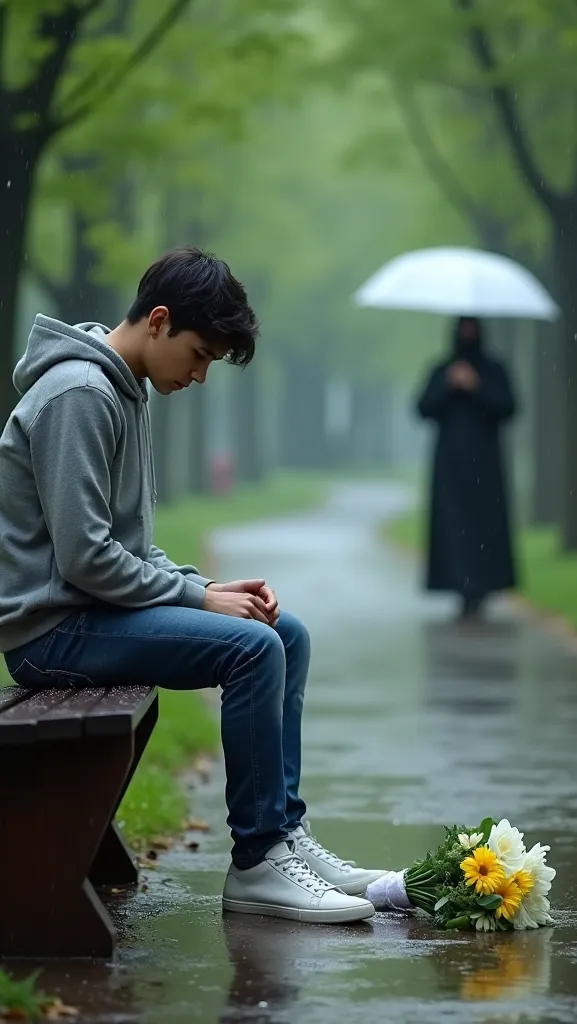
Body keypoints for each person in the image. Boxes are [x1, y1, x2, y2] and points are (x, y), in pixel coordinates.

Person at [0, 247, 386, 924]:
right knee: (252, 649)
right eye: (200, 354)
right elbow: (87, 559)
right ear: (158, 321)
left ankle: (284, 834)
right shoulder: (80, 396)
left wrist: (206, 585)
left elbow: (131, 546)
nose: (202, 375)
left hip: (87, 615)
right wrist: (201, 600)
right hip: (50, 631)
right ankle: (259, 861)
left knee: (280, 632)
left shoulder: (123, 387)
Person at [415, 315, 517, 619]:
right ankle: (459, 585)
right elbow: (423, 408)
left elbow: (508, 407)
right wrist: (448, 385)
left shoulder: (494, 370)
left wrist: (476, 386)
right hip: (450, 469)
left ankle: (482, 587)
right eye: (463, 330)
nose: (467, 335)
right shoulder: (441, 370)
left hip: (486, 468)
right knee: (453, 530)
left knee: (483, 529)